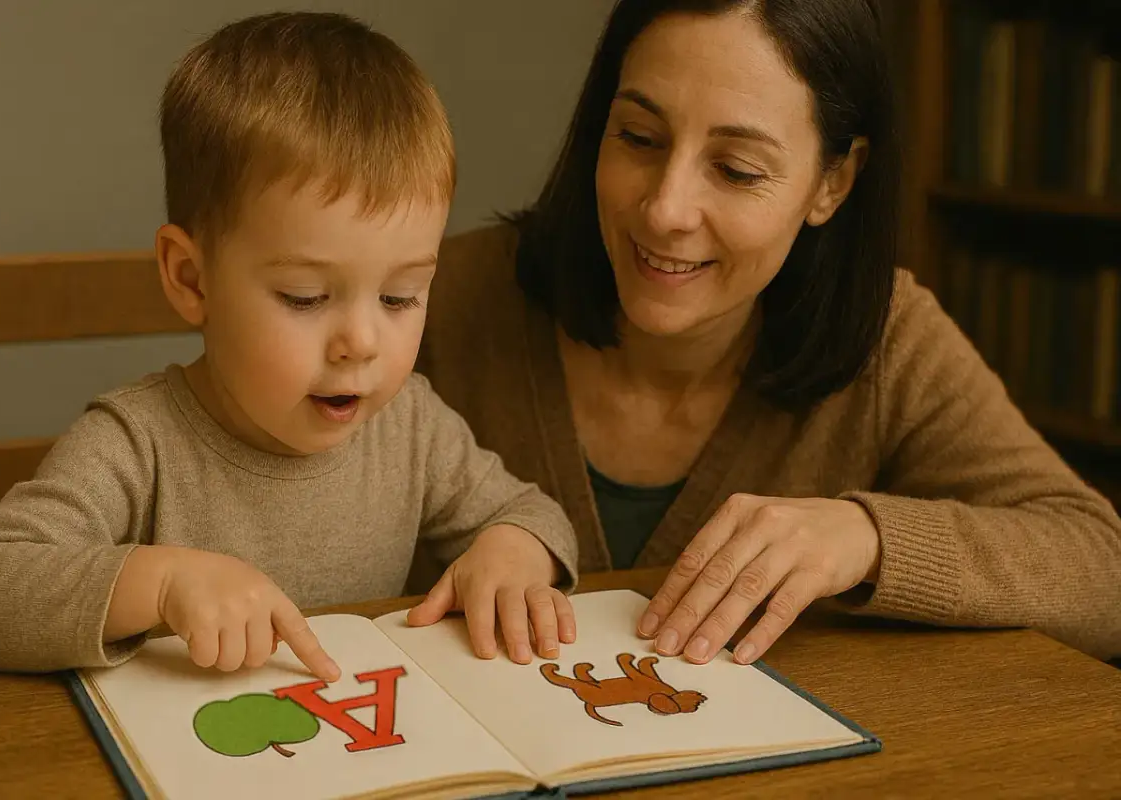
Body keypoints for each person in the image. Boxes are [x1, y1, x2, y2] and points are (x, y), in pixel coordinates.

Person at [410, 0, 1121, 666]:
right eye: (638, 137)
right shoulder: (432, 299)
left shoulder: (887, 340)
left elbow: (1102, 570)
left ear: (832, 184)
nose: (666, 210)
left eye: (736, 169)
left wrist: (866, 538)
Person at [0, 11, 579, 678]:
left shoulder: (408, 425)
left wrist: (512, 551)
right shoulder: (139, 442)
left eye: (399, 297)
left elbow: (533, 513)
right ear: (191, 278)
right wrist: (156, 583)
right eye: (305, 297)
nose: (361, 342)